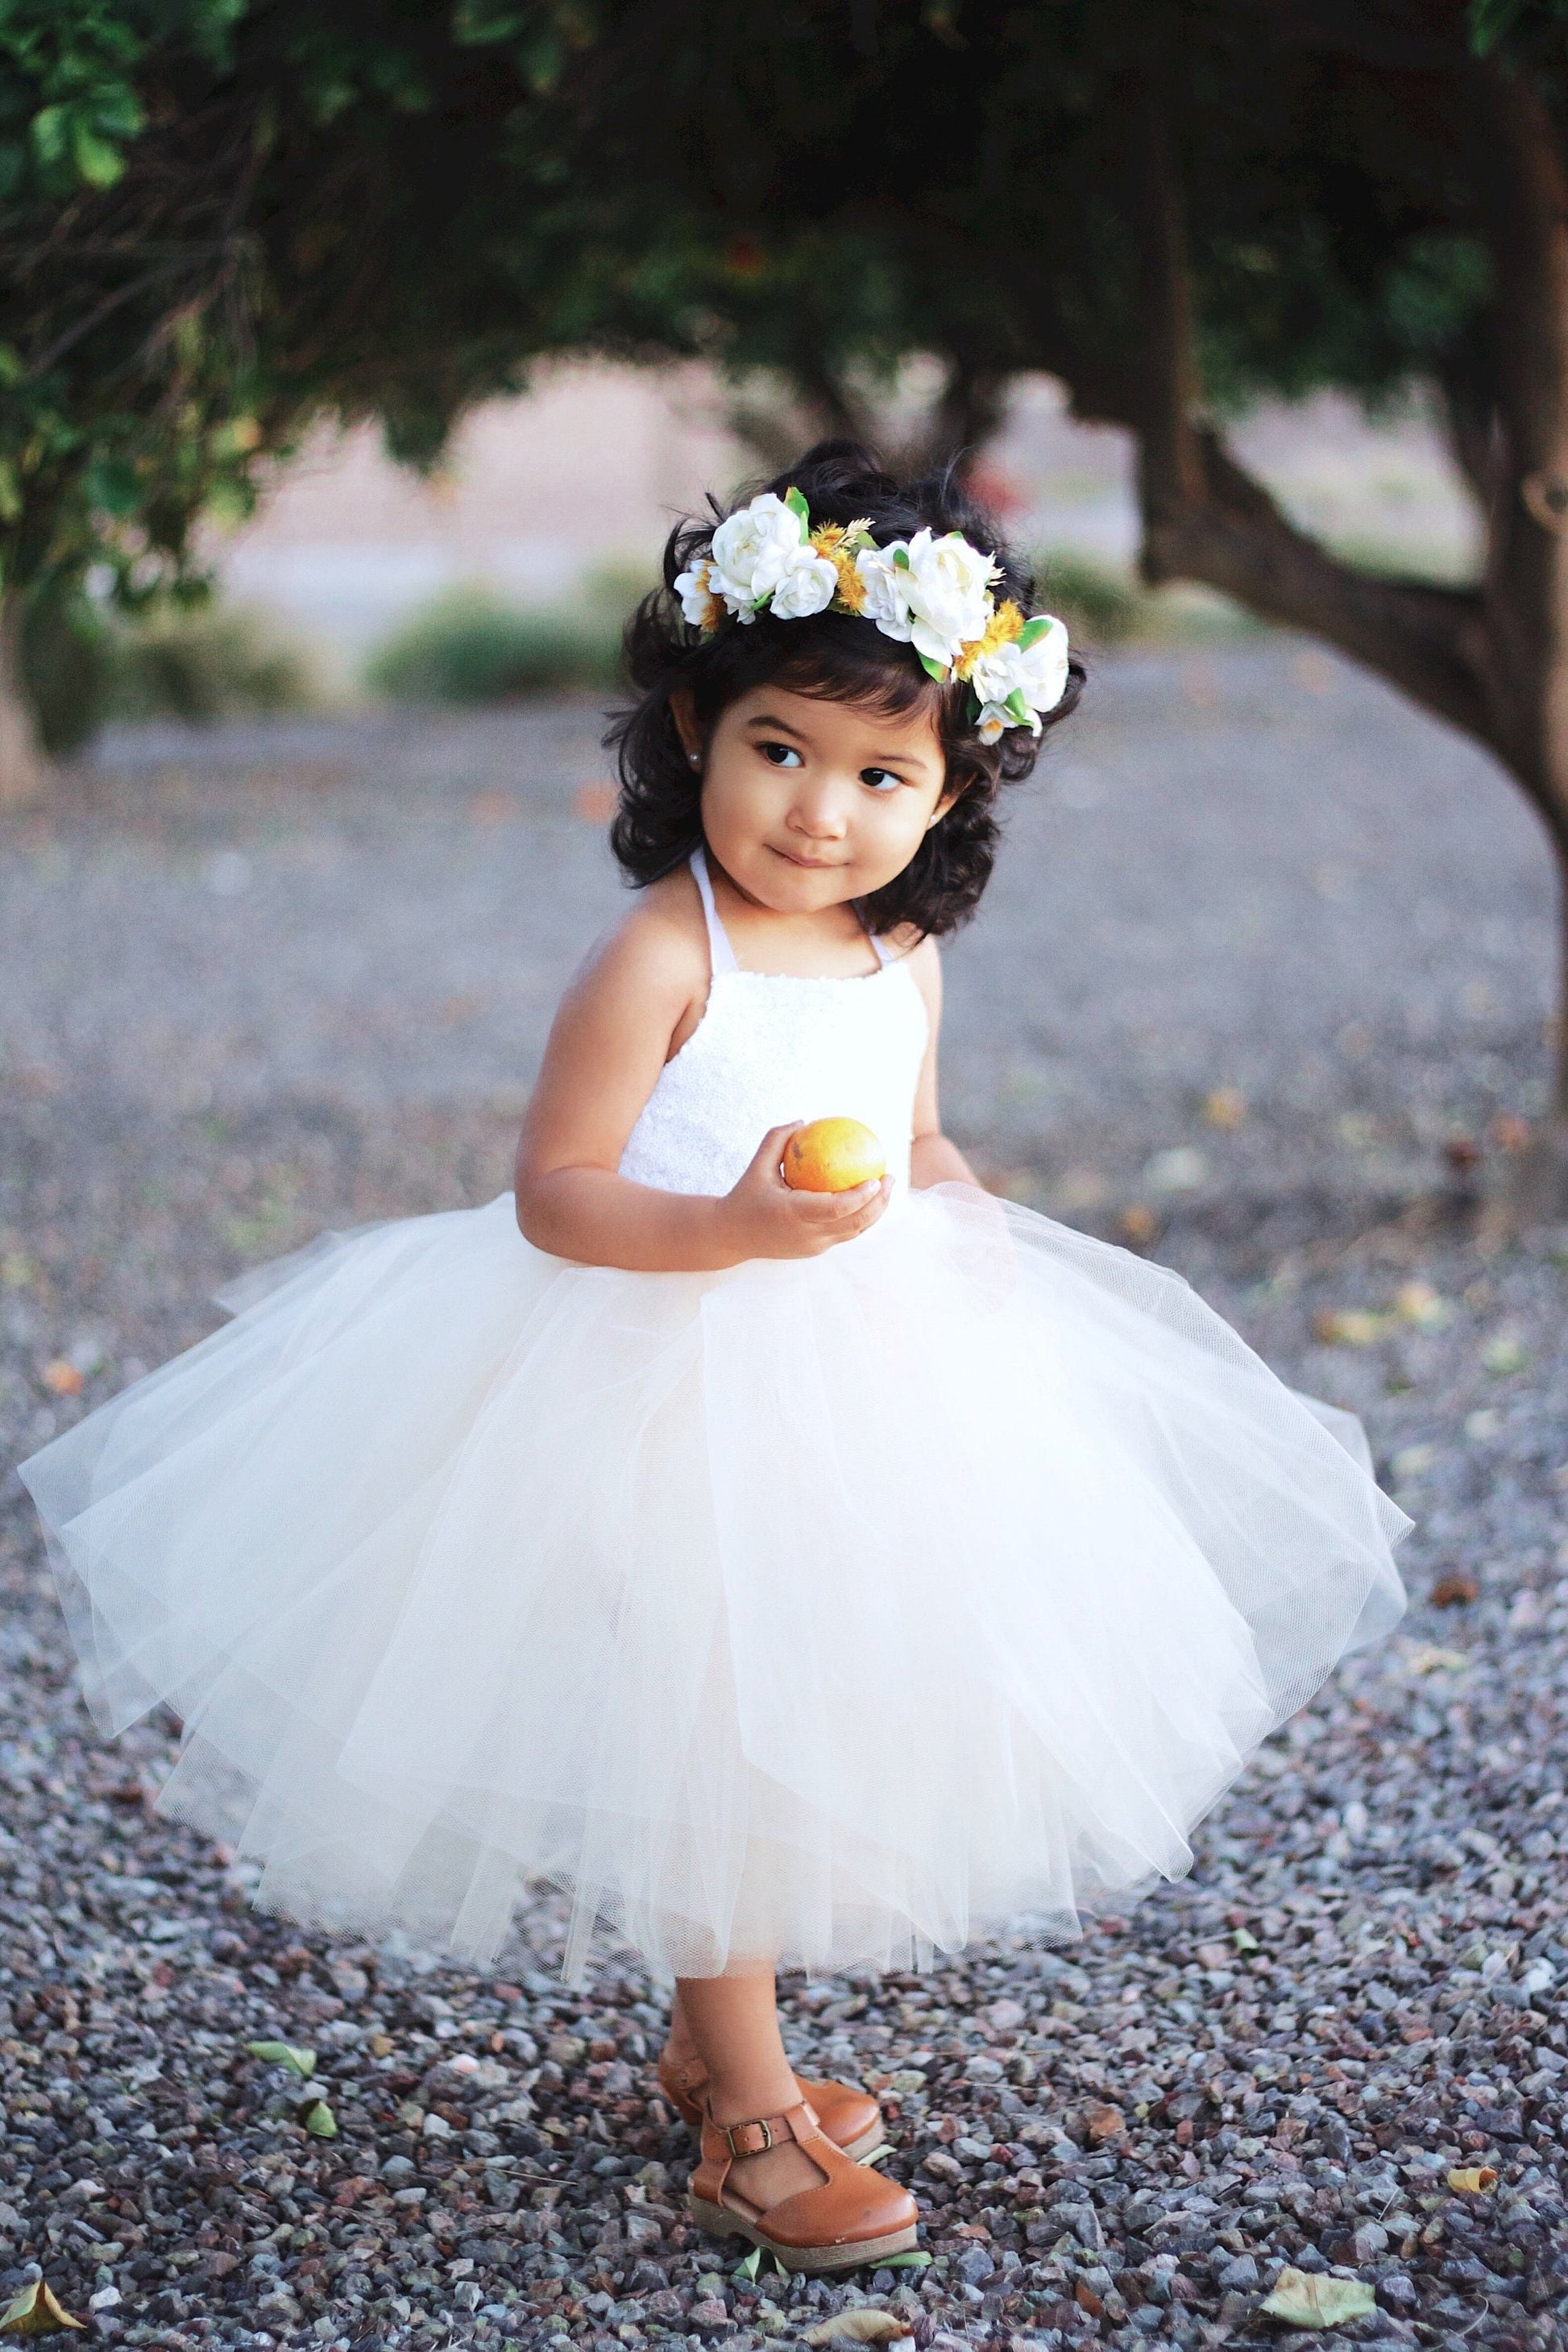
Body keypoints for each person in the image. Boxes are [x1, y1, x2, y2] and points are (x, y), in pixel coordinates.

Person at [20, 442, 1409, 2275]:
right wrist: (736, 1229)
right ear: (693, 725)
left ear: (952, 789)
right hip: (643, 1374)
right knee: (714, 1728)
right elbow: (558, 1194)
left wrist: (965, 1221)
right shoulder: (656, 956)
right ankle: (745, 2110)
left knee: (822, 1688)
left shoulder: (897, 957)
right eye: (780, 748)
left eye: (880, 772)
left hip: (852, 1379)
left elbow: (909, 1139)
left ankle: (708, 2027)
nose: (821, 810)